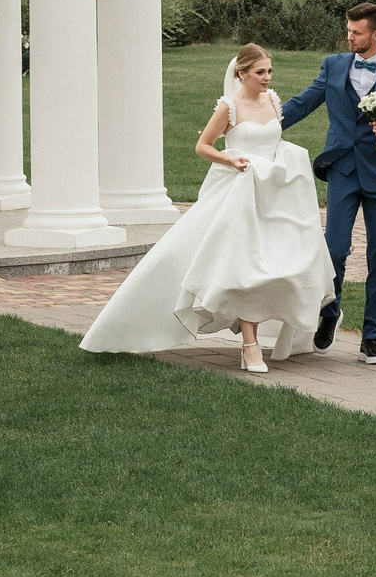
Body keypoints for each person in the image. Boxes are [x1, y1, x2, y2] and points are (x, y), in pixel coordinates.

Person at [80, 44, 330, 373]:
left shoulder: (273, 101)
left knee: (282, 263)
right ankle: (249, 345)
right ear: (242, 74)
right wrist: (231, 158)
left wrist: (286, 155)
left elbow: (272, 141)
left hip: (276, 195)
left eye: (269, 71)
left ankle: (283, 332)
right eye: (260, 72)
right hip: (239, 195)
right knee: (242, 266)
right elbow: (203, 146)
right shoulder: (229, 107)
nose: (267, 78)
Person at [282, 1, 376, 364]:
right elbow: (305, 102)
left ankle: (372, 337)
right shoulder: (334, 64)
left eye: (356, 32)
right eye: (348, 30)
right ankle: (329, 314)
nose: (349, 37)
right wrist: (261, 126)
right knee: (334, 251)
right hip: (342, 169)